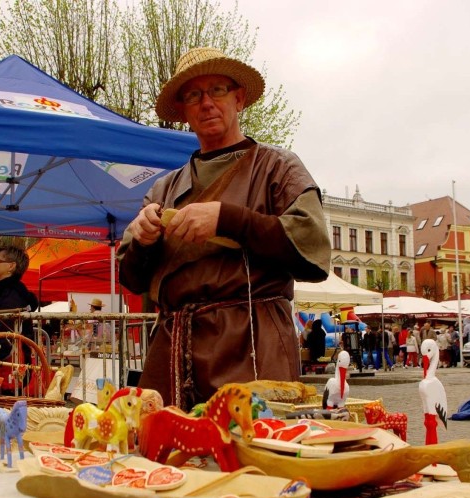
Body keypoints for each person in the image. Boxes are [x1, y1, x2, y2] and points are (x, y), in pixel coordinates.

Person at [117, 47, 330, 409]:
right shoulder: (162, 190)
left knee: (253, 457)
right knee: (163, 455)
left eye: (217, 90)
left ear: (239, 98)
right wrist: (142, 240)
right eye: (193, 95)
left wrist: (227, 219)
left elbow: (313, 254)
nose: (206, 103)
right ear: (184, 110)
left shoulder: (278, 168)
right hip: (172, 350)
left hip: (251, 345)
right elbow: (132, 279)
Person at [0, 245, 39, 391]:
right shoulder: (6, 293)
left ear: (11, 266)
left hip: (6, 371)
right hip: (7, 369)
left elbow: (3, 339)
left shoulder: (11, 297)